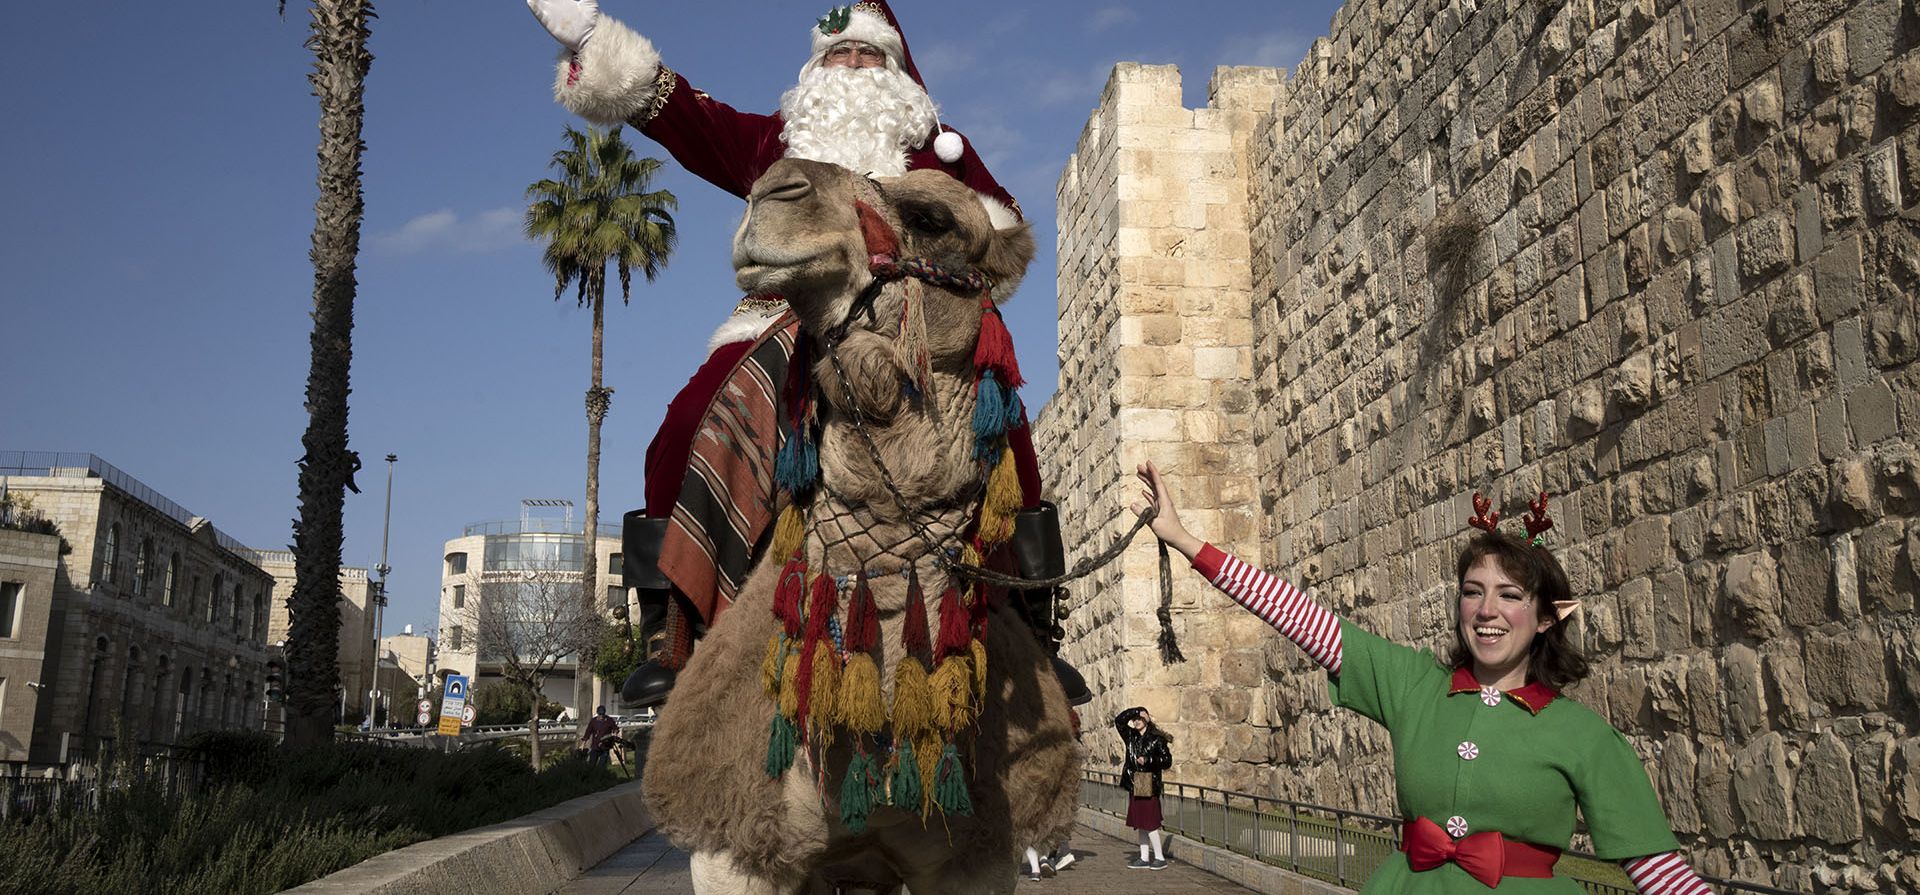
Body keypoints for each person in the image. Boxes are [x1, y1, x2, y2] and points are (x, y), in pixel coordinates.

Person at [527, 0, 1048, 707]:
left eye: (868, 56)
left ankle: (1034, 619)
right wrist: (596, 39)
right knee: (681, 427)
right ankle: (669, 626)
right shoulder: (777, 143)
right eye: (839, 55)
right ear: (815, 68)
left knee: (1010, 432)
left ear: (895, 68)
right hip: (785, 319)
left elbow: (1000, 237)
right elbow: (685, 115)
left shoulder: (936, 148)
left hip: (905, 323)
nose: (853, 68)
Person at [1130, 462, 1716, 894]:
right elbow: (1300, 616)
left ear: (1545, 618)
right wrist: (1184, 541)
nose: (1486, 611)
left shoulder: (1584, 736)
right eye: (1473, 592)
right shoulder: (1416, 686)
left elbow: (1659, 872)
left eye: (1509, 596)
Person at [1114, 706, 1171, 870]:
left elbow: (1167, 761)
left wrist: (1148, 760)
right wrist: (1135, 712)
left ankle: (1159, 857)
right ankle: (1143, 857)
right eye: (1135, 719)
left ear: (1147, 719)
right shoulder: (1131, 736)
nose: (1137, 721)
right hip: (1135, 781)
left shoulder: (1156, 739)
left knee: (1150, 822)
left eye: (1140, 719)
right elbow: (1119, 721)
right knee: (1140, 822)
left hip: (1148, 781)